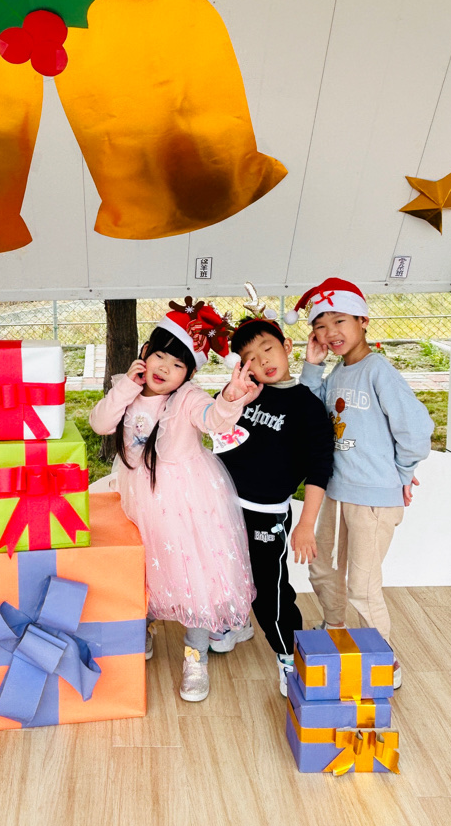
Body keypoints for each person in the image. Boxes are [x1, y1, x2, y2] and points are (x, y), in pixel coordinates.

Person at [89, 298, 259, 702]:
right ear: (145, 352)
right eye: (160, 355)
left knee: (192, 575)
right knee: (142, 567)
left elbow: (213, 419)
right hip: (135, 500)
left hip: (184, 503)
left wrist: (231, 396)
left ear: (189, 374)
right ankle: (142, 628)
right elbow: (100, 423)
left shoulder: (186, 399)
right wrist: (127, 386)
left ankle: (195, 655)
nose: (164, 368)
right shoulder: (128, 389)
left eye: (178, 364)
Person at [290, 277, 433, 686]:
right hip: (336, 492)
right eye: (320, 326)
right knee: (323, 568)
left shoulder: (378, 371)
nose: (330, 332)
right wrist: (312, 366)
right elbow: (311, 413)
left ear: (363, 321)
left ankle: (384, 658)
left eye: (339, 321)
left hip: (373, 499)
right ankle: (335, 630)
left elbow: (416, 430)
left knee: (363, 584)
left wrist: (401, 474)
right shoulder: (338, 371)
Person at [212, 291, 334, 695]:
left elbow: (320, 468)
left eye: (267, 348)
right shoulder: (243, 393)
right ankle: (235, 622)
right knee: (226, 570)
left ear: (286, 346)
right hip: (222, 505)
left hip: (267, 514)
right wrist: (231, 395)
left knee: (271, 589)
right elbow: (213, 422)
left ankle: (288, 655)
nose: (261, 360)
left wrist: (306, 524)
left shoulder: (306, 406)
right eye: (249, 357)